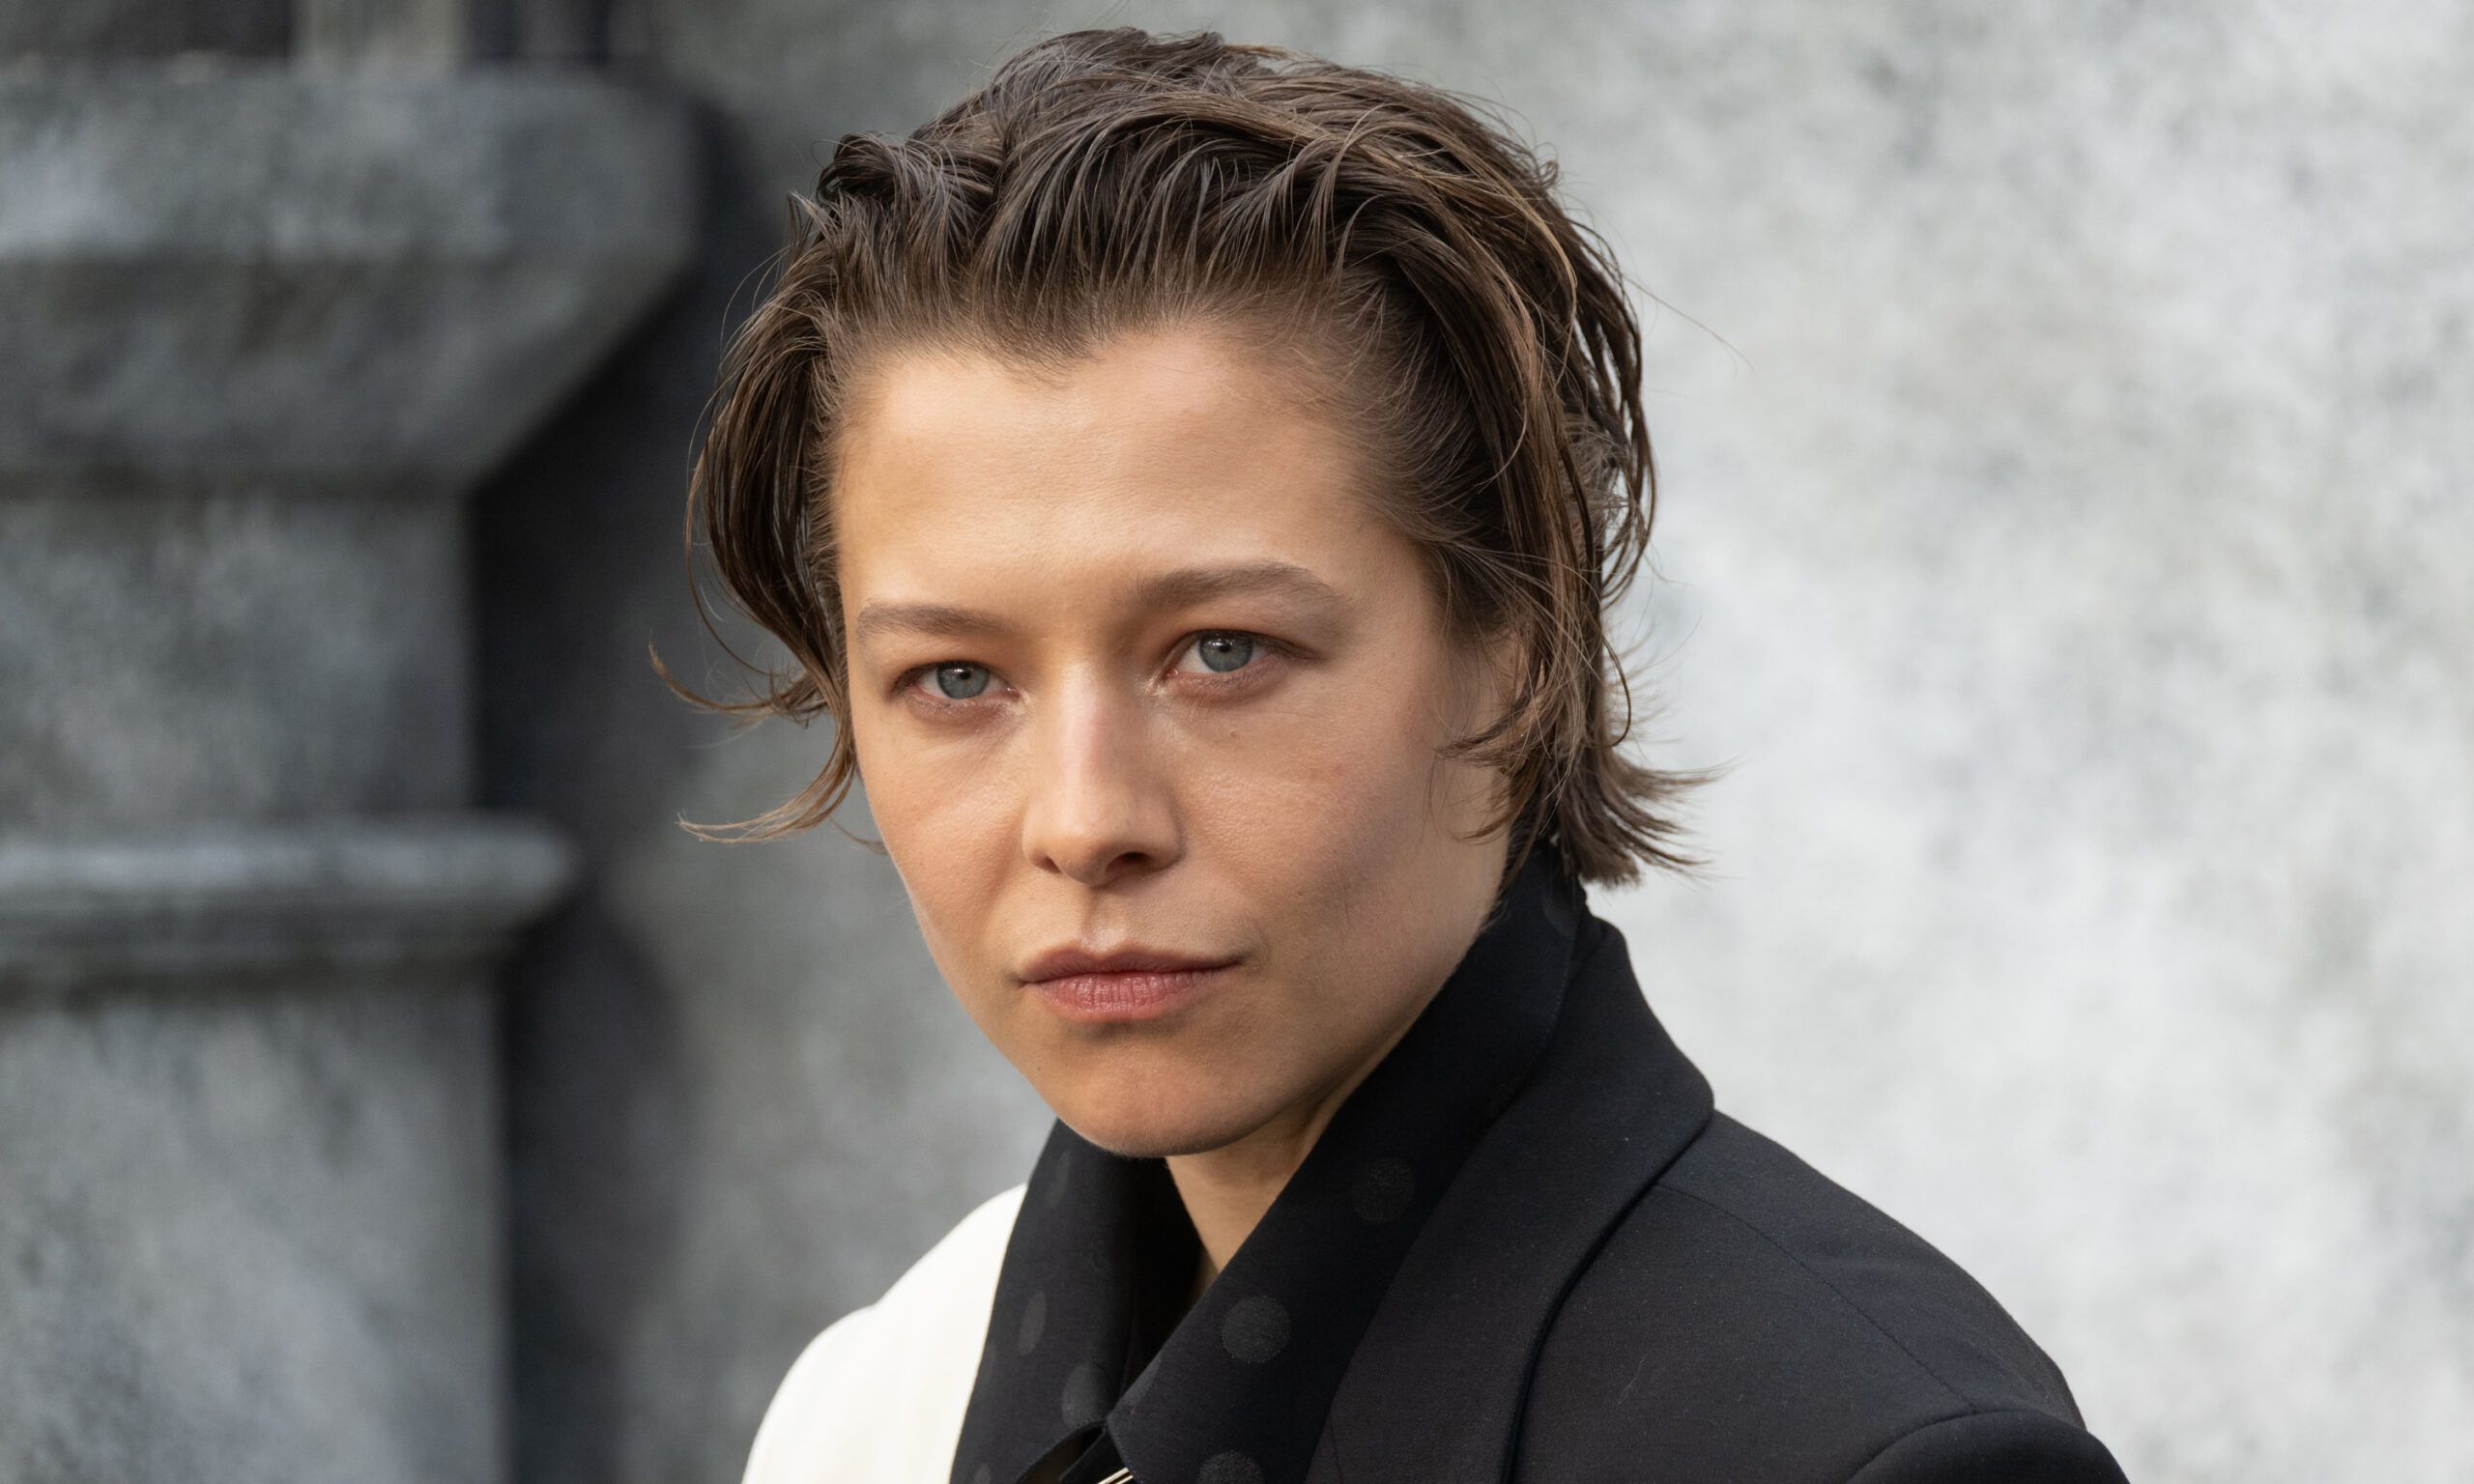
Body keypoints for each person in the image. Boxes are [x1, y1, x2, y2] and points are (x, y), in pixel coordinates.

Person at [675, 25, 2130, 1484]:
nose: (1084, 820)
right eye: (957, 677)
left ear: (1519, 650)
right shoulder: (881, 1406)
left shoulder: (1859, 1451)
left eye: (1223, 651)